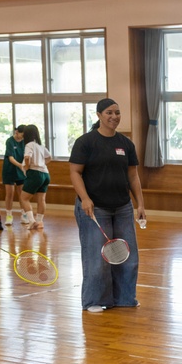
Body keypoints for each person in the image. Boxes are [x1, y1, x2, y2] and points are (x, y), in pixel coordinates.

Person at [69, 98, 146, 313]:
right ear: (99, 115)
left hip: (122, 207)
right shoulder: (86, 142)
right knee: (97, 258)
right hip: (95, 209)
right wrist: (84, 198)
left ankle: (125, 298)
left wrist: (140, 203)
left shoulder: (126, 144)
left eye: (117, 112)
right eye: (109, 113)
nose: (114, 117)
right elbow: (75, 172)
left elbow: (133, 175)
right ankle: (94, 300)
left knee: (128, 256)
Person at [19, 125, 51, 230]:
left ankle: (31, 220)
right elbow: (49, 157)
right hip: (45, 174)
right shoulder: (40, 146)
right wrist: (42, 164)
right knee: (41, 199)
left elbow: (27, 157)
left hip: (35, 173)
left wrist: (27, 168)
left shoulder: (29, 145)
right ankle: (40, 222)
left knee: (24, 198)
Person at [1, 125, 26, 226]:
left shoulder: (25, 142)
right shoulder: (10, 141)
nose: (22, 136)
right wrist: (20, 165)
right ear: (16, 132)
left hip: (21, 170)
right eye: (21, 134)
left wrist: (24, 165)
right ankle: (9, 215)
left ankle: (24, 214)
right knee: (10, 193)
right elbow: (10, 158)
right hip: (10, 169)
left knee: (22, 194)